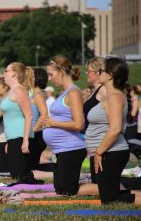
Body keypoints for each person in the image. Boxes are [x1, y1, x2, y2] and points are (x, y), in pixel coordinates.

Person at [86, 57, 141, 205]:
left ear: (109, 75)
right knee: (108, 194)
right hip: (107, 152)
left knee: (109, 199)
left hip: (112, 152)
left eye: (101, 71)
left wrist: (99, 152)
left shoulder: (115, 97)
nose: (98, 73)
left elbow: (115, 129)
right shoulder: (110, 96)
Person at [42, 55, 86, 196]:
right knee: (60, 190)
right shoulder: (63, 93)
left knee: (68, 190)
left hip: (71, 148)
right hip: (60, 150)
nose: (50, 78)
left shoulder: (73, 92)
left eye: (51, 74)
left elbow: (79, 124)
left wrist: (53, 123)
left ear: (61, 71)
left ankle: (110, 189)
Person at [0, 62, 37, 181]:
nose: (4, 73)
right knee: (16, 175)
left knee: (21, 176)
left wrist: (25, 141)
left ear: (14, 74)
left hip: (20, 137)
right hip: (12, 138)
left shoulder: (19, 90)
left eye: (6, 71)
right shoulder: (11, 91)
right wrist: (8, 142)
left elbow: (29, 114)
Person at [82, 57, 107, 183]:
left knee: (101, 187)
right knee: (97, 184)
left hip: (101, 144)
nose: (86, 73)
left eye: (89, 71)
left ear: (98, 72)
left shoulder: (103, 90)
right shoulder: (95, 91)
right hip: (94, 145)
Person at [29, 68, 49, 170]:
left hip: (36, 135)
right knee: (31, 165)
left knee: (32, 167)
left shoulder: (38, 95)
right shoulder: (34, 95)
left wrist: (33, 130)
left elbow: (44, 114)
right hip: (33, 134)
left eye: (31, 76)